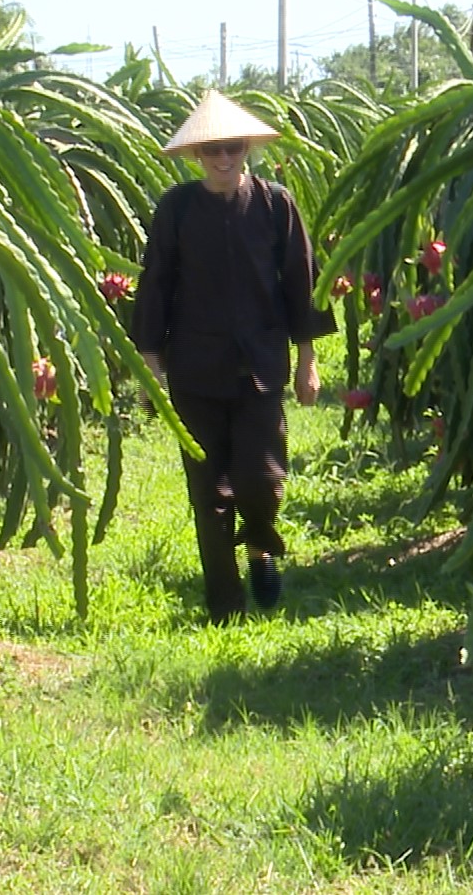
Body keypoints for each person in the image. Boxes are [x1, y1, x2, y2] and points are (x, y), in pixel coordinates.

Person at [130, 91, 335, 623]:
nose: (224, 160)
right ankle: (225, 602)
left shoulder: (275, 204)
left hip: (261, 365)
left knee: (260, 477)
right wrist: (150, 362)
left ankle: (262, 548)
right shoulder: (176, 209)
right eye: (214, 151)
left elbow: (300, 281)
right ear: (197, 155)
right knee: (208, 489)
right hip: (194, 367)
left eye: (234, 149)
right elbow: (155, 284)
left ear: (248, 150)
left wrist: (307, 359)